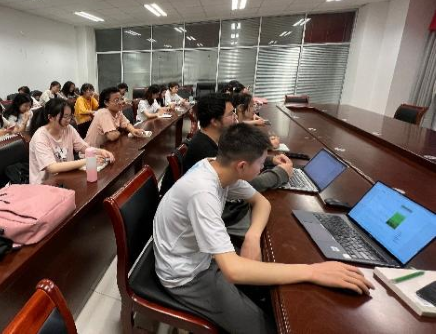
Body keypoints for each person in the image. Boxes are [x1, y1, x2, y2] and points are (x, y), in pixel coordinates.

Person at [153, 123, 374, 333]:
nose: (262, 167)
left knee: (268, 289)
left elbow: (261, 202)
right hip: (186, 276)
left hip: (201, 256)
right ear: (242, 166)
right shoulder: (203, 192)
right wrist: (313, 271)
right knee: (266, 327)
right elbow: (233, 271)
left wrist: (252, 236)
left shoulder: (217, 166)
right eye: (260, 163)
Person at [183, 93, 292, 238]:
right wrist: (280, 174)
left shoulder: (215, 138)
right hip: (225, 215)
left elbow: (238, 157)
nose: (235, 117)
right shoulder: (204, 150)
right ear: (214, 121)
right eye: (230, 114)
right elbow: (246, 183)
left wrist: (269, 160)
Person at [28, 98, 114, 184]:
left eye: (70, 116)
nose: (68, 120)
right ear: (50, 117)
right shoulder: (40, 136)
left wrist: (100, 151)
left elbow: (83, 147)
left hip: (65, 178)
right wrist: (88, 161)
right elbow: (52, 167)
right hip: (44, 184)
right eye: (65, 117)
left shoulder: (68, 129)